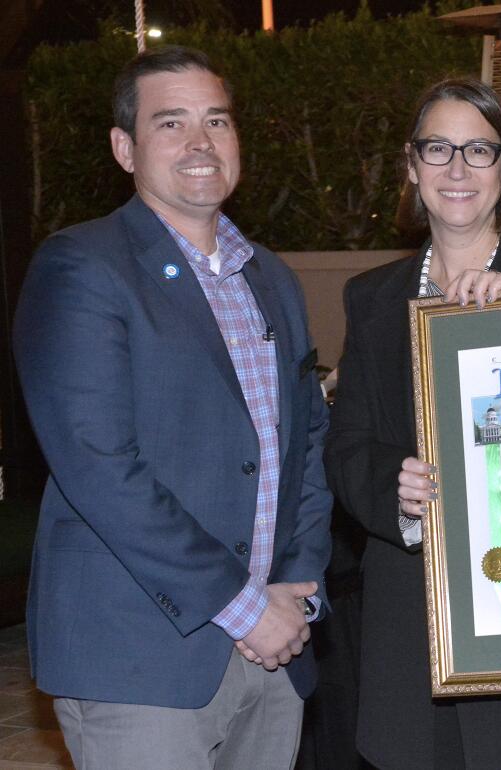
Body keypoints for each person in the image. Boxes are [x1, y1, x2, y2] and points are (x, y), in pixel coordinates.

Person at [12, 46, 332, 768]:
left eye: (216, 121)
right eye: (171, 123)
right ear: (125, 148)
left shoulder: (271, 277)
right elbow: (99, 467)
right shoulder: (82, 267)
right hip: (141, 660)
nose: (200, 143)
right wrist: (246, 607)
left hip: (276, 651)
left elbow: (305, 442)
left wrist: (296, 593)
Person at [323, 77, 501, 769]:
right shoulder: (371, 299)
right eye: (438, 148)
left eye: (479, 151)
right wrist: (396, 489)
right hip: (412, 641)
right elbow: (349, 446)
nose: (456, 169)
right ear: (411, 165)